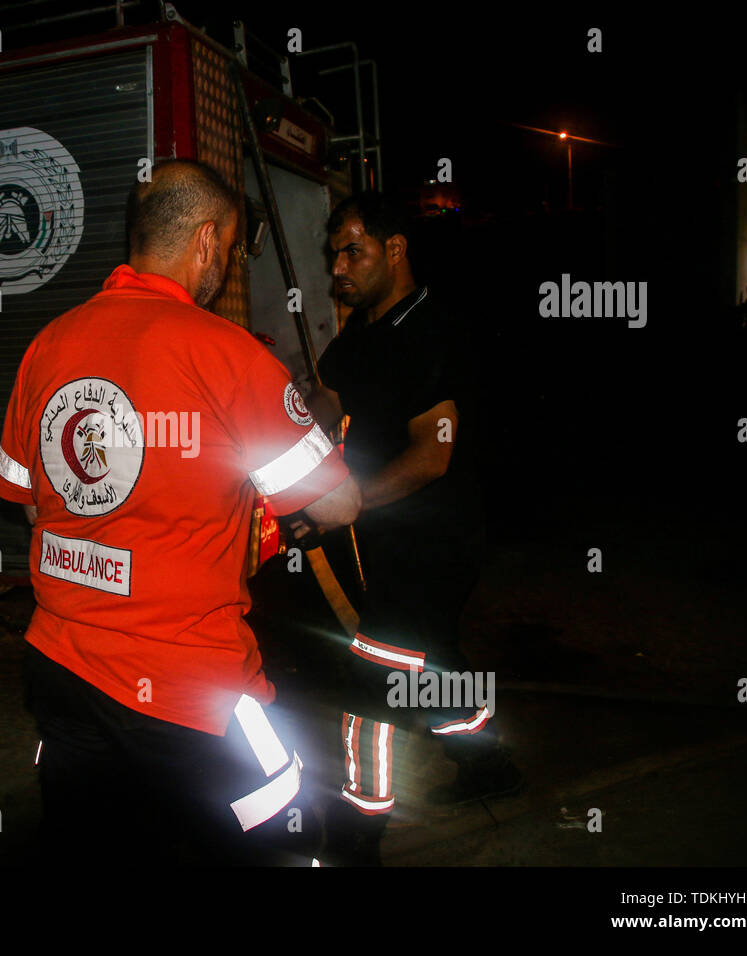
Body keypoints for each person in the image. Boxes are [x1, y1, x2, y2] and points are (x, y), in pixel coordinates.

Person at [0, 159, 363, 865]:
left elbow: (30, 506)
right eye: (224, 253)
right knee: (285, 838)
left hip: (59, 666)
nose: (221, 270)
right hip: (193, 692)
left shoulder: (48, 344)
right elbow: (337, 502)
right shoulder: (227, 354)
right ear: (204, 242)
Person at [297, 193, 523, 865]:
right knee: (432, 665)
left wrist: (345, 503)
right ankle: (489, 765)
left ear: (395, 250)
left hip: (436, 539)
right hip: (382, 536)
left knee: (372, 673)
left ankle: (358, 829)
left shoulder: (435, 331)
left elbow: (434, 454)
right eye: (334, 253)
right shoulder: (363, 331)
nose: (339, 267)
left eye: (353, 252)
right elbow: (326, 397)